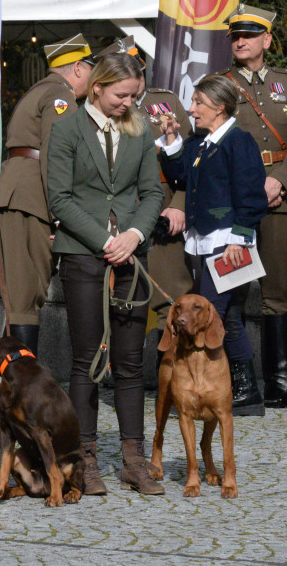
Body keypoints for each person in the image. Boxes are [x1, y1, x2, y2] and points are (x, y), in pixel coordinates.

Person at [46, 52, 163, 495]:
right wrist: (103, 240)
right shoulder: (66, 129)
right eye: (121, 94)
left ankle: (133, 460)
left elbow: (152, 191)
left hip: (131, 256)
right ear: (97, 87)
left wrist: (133, 235)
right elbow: (60, 199)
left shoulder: (140, 127)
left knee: (132, 363)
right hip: (83, 255)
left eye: (134, 95)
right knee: (88, 361)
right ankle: (84, 459)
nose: (128, 103)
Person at [216, 3, 287, 411]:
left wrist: (279, 181)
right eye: (235, 36)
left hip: (282, 198)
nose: (240, 41)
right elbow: (213, 140)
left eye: (248, 35)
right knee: (233, 290)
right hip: (236, 203)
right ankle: (239, 384)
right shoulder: (219, 84)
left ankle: (280, 383)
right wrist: (249, 187)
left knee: (278, 291)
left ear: (267, 40)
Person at [157, 74, 269, 416]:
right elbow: (179, 173)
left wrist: (240, 238)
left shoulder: (240, 141)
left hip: (227, 243)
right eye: (192, 103)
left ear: (220, 107)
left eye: (198, 104)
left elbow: (251, 192)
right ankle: (246, 392)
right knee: (229, 316)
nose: (191, 110)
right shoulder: (201, 142)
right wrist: (173, 137)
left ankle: (205, 390)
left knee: (210, 316)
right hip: (204, 241)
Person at [0, 33, 94, 353]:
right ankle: (22, 382)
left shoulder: (40, 91)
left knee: (23, 291)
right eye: (92, 70)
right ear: (78, 68)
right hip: (31, 198)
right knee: (27, 291)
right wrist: (62, 213)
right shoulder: (60, 97)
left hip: (22, 194)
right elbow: (57, 155)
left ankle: (18, 376)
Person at [104, 35, 195, 329]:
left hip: (165, 212)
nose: (135, 78)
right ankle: (120, 373)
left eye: (137, 70)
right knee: (121, 295)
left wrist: (180, 205)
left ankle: (168, 374)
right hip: (120, 210)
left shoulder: (166, 102)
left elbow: (192, 161)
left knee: (172, 296)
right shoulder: (101, 108)